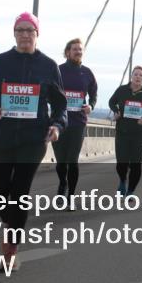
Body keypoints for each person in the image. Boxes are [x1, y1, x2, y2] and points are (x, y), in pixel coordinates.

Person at [0, 13, 66, 269]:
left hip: (33, 139)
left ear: (37, 34)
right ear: (14, 33)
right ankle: (12, 224)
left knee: (20, 192)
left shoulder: (49, 66)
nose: (25, 34)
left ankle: (11, 248)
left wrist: (57, 126)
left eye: (30, 30)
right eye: (20, 30)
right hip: (2, 137)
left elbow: (60, 106)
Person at [54, 38, 97, 202]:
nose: (78, 52)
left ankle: (71, 195)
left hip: (78, 122)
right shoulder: (58, 70)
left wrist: (91, 106)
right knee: (60, 162)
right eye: (75, 49)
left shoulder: (87, 73)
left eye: (80, 49)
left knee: (72, 160)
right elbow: (49, 91)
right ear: (67, 52)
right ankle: (62, 183)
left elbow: (93, 94)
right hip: (59, 121)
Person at [108, 66, 142, 195]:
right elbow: (111, 102)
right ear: (131, 76)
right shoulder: (122, 90)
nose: (138, 77)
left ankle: (130, 191)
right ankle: (122, 180)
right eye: (136, 74)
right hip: (122, 132)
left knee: (136, 165)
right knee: (121, 164)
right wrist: (116, 111)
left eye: (141, 75)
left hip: (139, 135)